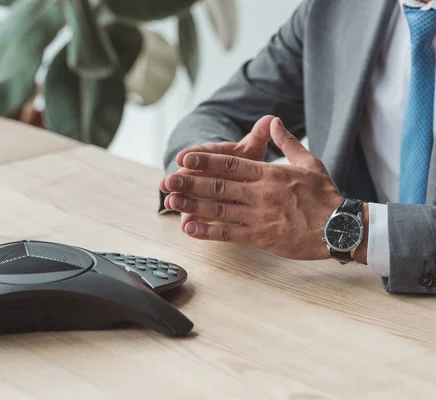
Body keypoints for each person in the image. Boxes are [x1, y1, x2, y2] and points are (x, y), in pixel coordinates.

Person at [159, 0, 436, 294]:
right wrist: (215, 175)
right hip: (354, 299)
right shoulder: (336, 8)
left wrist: (356, 230)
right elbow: (218, 115)